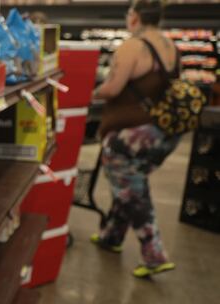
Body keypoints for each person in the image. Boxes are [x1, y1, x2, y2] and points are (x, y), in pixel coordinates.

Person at [92, 0, 181, 278]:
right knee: (129, 181)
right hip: (165, 132)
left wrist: (91, 91)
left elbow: (113, 88)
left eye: (129, 12)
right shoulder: (170, 47)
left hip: (132, 133)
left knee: (132, 190)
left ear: (137, 16)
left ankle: (154, 255)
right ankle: (112, 236)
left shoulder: (133, 46)